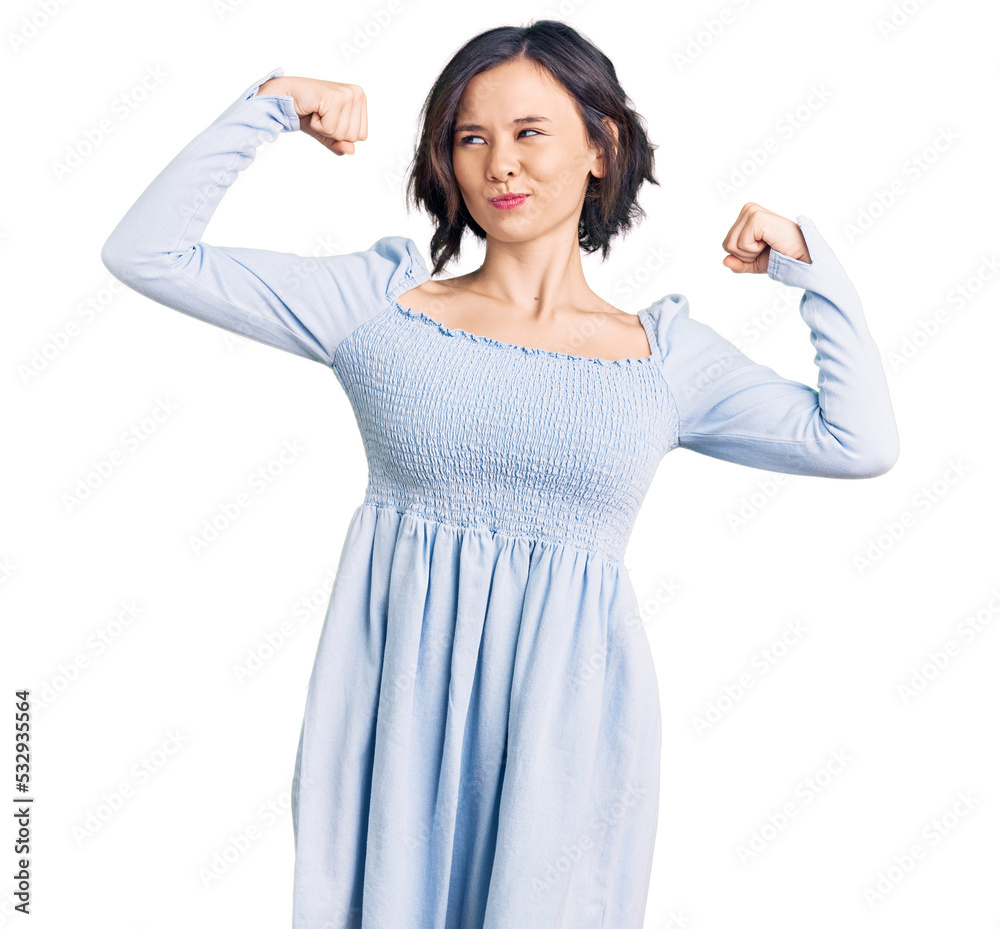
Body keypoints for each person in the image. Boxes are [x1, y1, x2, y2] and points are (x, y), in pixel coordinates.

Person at [99, 19, 899, 929]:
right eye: (471, 137)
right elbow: (146, 253)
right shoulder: (378, 307)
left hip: (565, 739)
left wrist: (806, 263)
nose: (500, 165)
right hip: (395, 723)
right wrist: (272, 106)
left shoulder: (663, 360)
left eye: (529, 132)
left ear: (602, 147)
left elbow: (858, 440)